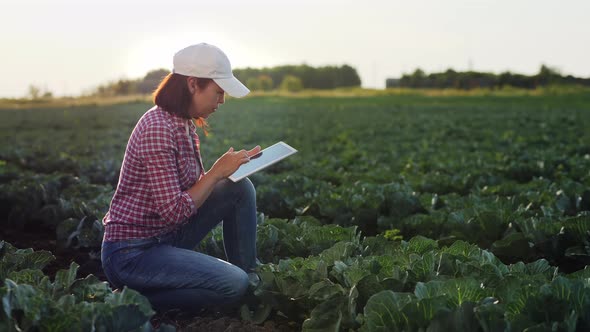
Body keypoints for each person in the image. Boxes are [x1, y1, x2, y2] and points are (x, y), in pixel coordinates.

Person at [101, 42, 261, 313]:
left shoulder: (182, 123)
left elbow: (189, 194)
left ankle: (253, 279)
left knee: (239, 187)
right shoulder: (158, 128)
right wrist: (215, 173)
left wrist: (232, 170)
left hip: (164, 237)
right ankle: (127, 300)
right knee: (233, 285)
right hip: (133, 254)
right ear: (192, 84)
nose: (221, 102)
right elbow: (174, 211)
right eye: (218, 92)